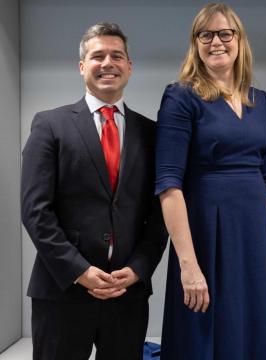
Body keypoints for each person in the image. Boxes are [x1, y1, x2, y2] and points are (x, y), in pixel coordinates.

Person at [21, 22, 168, 360]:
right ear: (82, 66)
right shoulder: (49, 125)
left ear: (129, 67)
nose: (108, 63)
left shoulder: (151, 133)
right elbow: (35, 211)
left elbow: (158, 215)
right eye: (97, 55)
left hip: (127, 293)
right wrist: (80, 271)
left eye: (117, 55)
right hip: (63, 290)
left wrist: (138, 269)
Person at [155, 3, 266, 359]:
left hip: (254, 238)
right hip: (205, 237)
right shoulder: (181, 97)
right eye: (206, 34)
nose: (217, 42)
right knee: (205, 333)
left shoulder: (259, 101)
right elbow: (168, 184)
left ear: (239, 40)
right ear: (195, 43)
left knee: (252, 330)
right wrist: (188, 264)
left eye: (225, 33)